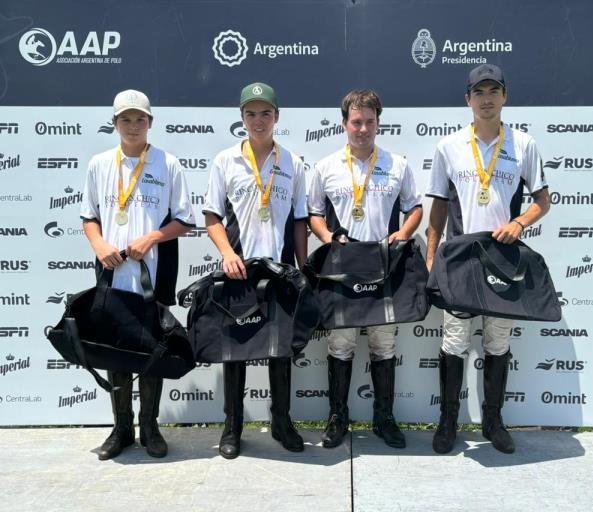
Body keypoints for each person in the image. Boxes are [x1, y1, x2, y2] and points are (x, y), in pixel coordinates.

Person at [425, 64, 551, 454]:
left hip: (504, 262)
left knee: (497, 343)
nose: (486, 98)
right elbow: (438, 209)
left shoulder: (524, 145)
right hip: (462, 263)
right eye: (479, 92)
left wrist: (519, 222)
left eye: (493, 90)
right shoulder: (448, 147)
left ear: (504, 96)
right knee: (455, 342)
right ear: (468, 99)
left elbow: (542, 202)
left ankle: (494, 422)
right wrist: (432, 258)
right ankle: (447, 424)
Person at [80, 89, 196, 459]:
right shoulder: (100, 163)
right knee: (114, 352)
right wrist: (99, 246)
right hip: (113, 276)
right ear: (114, 123)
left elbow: (184, 220)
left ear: (150, 123)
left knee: (151, 352)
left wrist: (151, 237)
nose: (133, 125)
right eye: (125, 119)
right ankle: (122, 428)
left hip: (153, 276)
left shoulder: (168, 163)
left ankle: (150, 427)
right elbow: (89, 217)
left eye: (140, 119)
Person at [308, 89, 423, 449]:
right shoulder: (325, 167)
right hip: (343, 265)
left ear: (378, 123)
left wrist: (402, 234)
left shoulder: (397, 164)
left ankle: (384, 419)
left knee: (383, 344)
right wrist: (327, 236)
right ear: (345, 124)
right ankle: (337, 418)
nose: (362, 128)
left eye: (369, 121)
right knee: (340, 344)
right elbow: (313, 214)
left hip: (383, 264)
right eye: (356, 122)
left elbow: (415, 207)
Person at [203, 82, 308, 459]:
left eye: (265, 113)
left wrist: (302, 268)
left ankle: (281, 421)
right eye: (251, 113)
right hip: (238, 272)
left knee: (280, 350)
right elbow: (212, 216)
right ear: (242, 118)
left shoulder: (292, 162)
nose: (258, 120)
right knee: (236, 351)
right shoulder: (225, 161)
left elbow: (300, 221)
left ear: (276, 117)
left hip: (279, 272)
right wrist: (227, 253)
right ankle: (232, 428)